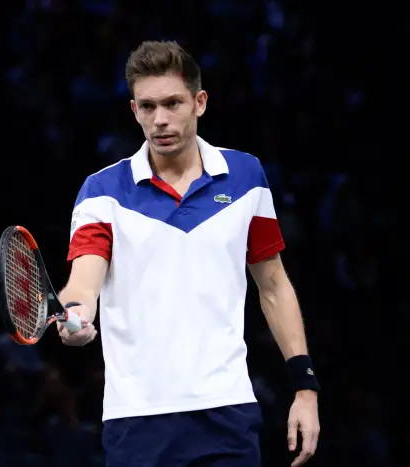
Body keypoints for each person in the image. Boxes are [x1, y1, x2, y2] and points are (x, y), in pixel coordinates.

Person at [56, 40, 320, 467]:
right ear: (134, 110)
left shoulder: (246, 177)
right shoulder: (102, 191)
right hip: (137, 421)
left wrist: (304, 387)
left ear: (199, 102)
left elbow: (273, 285)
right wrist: (77, 314)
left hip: (227, 410)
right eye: (147, 107)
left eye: (172, 103)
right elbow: (84, 281)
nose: (159, 119)